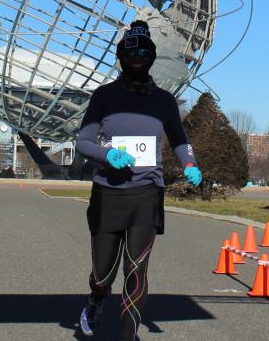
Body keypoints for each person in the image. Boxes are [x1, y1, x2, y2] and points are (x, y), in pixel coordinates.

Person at [76, 20, 202, 340]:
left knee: (136, 269)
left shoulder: (164, 101)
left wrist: (189, 162)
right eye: (130, 52)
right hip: (108, 193)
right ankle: (96, 299)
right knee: (103, 274)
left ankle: (128, 335)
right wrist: (107, 155)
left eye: (144, 52)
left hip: (147, 192)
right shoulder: (104, 96)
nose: (137, 57)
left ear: (152, 56)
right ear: (120, 56)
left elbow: (179, 139)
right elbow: (83, 142)